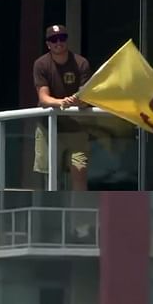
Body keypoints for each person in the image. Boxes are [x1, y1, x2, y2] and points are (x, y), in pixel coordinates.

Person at [33, 24, 92, 191]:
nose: (58, 42)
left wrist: (80, 101)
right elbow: (43, 98)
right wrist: (61, 102)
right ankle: (52, 215)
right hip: (48, 128)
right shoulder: (41, 64)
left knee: (79, 174)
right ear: (48, 44)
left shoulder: (81, 63)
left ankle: (80, 215)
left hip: (77, 129)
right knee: (50, 177)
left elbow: (85, 96)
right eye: (53, 39)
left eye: (62, 38)